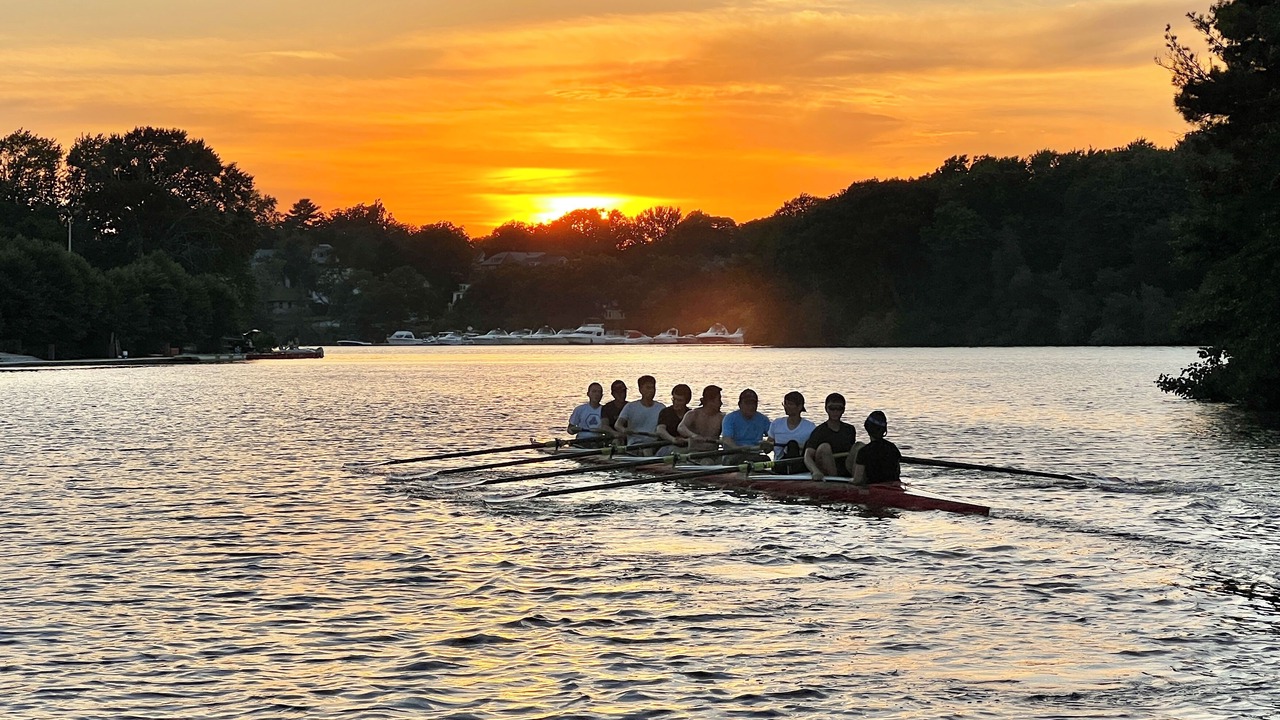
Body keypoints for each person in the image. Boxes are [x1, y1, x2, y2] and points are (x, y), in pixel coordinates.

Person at [803, 392, 860, 482]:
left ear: (843, 410)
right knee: (824, 447)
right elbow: (807, 456)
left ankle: (858, 478)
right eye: (832, 408)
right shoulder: (819, 431)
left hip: (846, 467)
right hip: (827, 471)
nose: (835, 412)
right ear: (826, 409)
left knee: (859, 446)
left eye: (839, 409)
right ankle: (835, 480)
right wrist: (815, 471)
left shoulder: (850, 429)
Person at [767, 391, 816, 473]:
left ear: (799, 407)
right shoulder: (776, 424)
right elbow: (767, 448)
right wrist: (765, 445)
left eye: (790, 404)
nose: (786, 407)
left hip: (801, 466)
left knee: (792, 445)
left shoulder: (810, 427)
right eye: (785, 403)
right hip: (780, 465)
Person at [616, 374, 666, 454]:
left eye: (653, 388)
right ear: (640, 390)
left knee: (647, 450)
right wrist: (625, 430)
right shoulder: (630, 407)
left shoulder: (661, 408)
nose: (651, 391)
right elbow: (618, 425)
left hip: (653, 444)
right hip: (634, 444)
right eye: (648, 388)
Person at [720, 388, 771, 463]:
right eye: (747, 403)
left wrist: (768, 444)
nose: (751, 406)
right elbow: (727, 439)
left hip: (754, 454)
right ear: (740, 404)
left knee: (766, 460)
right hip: (734, 454)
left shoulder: (763, 419)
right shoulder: (729, 418)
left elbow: (773, 436)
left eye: (753, 403)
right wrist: (739, 449)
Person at [853, 410, 902, 487]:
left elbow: (857, 480)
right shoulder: (893, 447)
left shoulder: (863, 452)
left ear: (867, 428)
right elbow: (897, 472)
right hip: (894, 486)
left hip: (874, 489)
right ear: (884, 430)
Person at [678, 384, 726, 462]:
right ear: (710, 401)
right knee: (706, 462)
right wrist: (693, 436)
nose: (721, 403)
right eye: (719, 400)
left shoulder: (722, 417)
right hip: (694, 454)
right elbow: (681, 427)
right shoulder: (693, 414)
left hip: (713, 454)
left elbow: (729, 435)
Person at [655, 383, 692, 456]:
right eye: (674, 399)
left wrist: (686, 441)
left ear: (687, 401)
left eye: (679, 400)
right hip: (666, 447)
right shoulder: (665, 412)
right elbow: (660, 430)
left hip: (686, 448)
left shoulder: (690, 414)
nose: (676, 403)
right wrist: (673, 439)